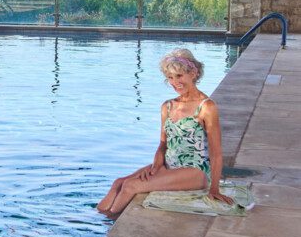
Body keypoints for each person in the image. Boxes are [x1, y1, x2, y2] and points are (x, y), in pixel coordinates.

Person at [96, 48, 233, 217]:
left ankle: (107, 224)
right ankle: (93, 219)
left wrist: (214, 189)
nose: (175, 82)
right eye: (170, 77)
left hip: (196, 171)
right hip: (169, 166)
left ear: (194, 73)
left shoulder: (206, 107)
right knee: (119, 183)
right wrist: (156, 166)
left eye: (179, 76)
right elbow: (163, 144)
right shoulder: (167, 106)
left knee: (131, 186)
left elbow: (216, 152)